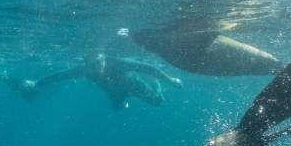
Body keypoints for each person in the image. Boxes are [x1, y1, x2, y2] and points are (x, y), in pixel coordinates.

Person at [21, 53, 183, 109]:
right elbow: (60, 76)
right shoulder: (83, 70)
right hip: (114, 91)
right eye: (92, 65)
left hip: (134, 85)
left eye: (99, 63)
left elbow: (147, 68)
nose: (96, 67)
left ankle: (157, 86)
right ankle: (125, 100)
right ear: (86, 63)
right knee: (117, 108)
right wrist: (36, 83)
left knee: (158, 102)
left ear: (104, 59)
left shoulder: (118, 63)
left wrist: (169, 80)